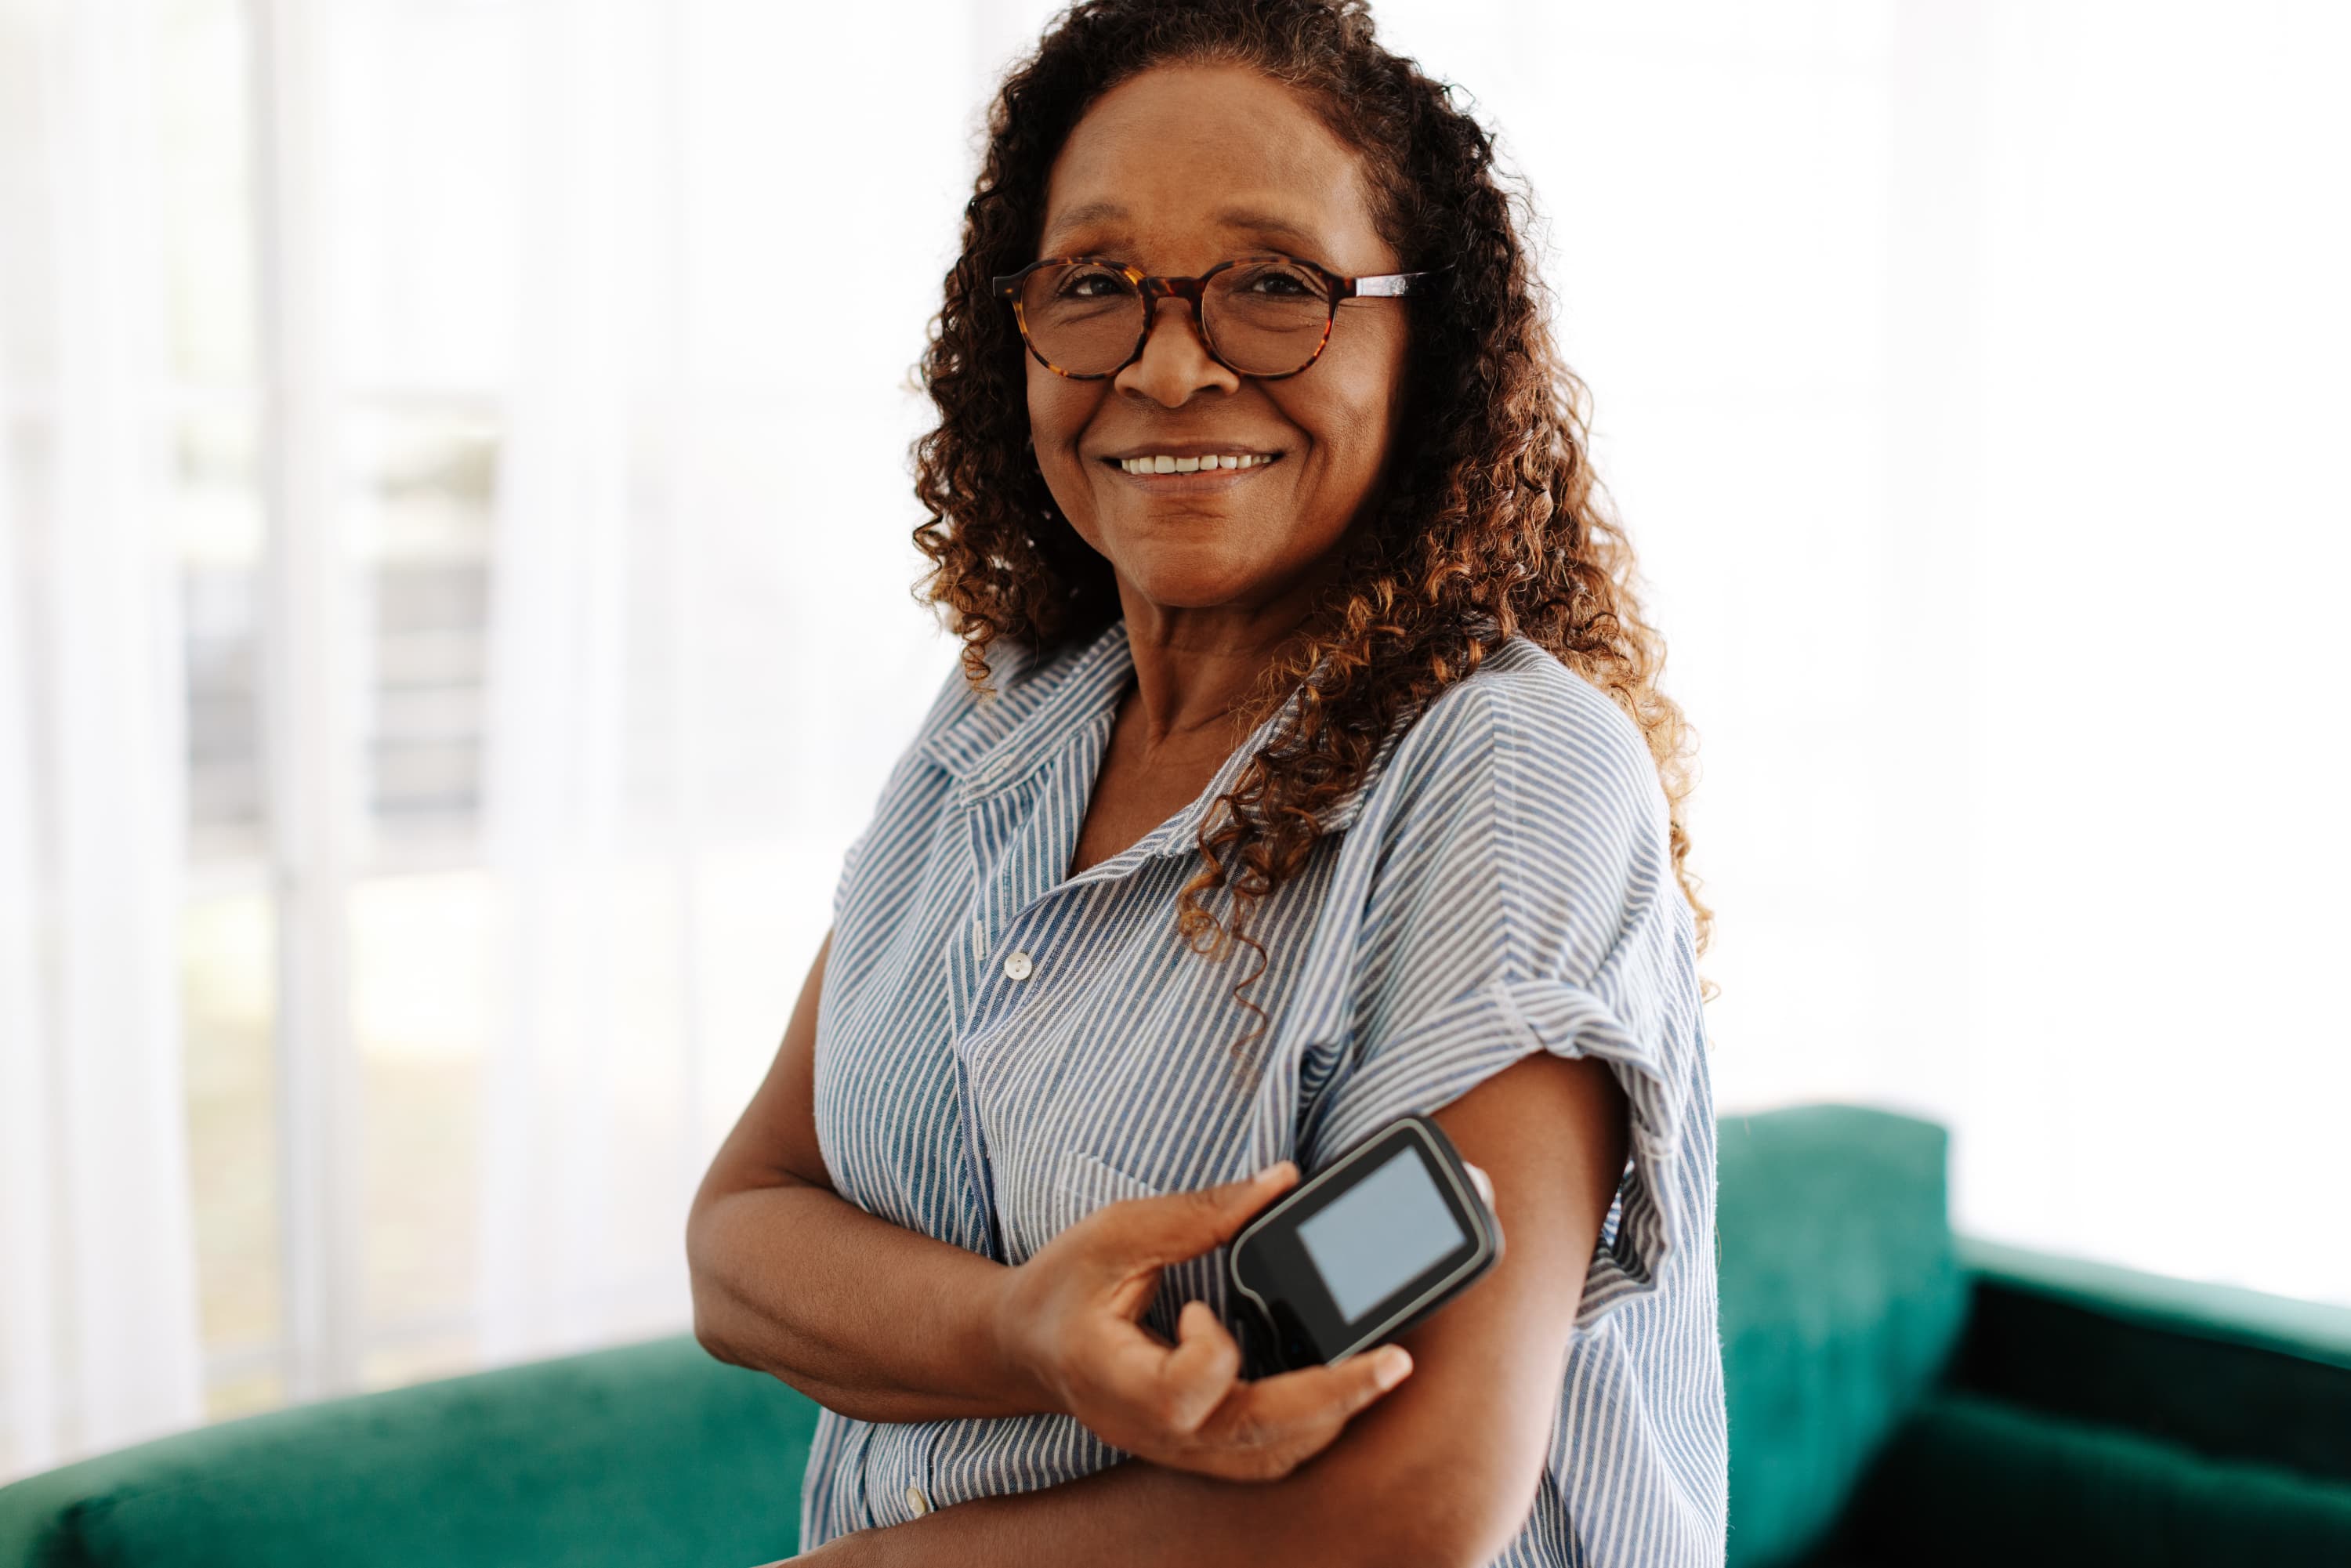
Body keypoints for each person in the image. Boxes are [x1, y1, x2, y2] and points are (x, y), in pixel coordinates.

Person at [687, 2, 1724, 1563]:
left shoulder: (1504, 771)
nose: (1168, 368)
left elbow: (1418, 1488)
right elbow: (743, 1237)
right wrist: (1025, 1329)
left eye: (1270, 288)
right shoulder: (1000, 714)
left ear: (1423, 342)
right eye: (1097, 286)